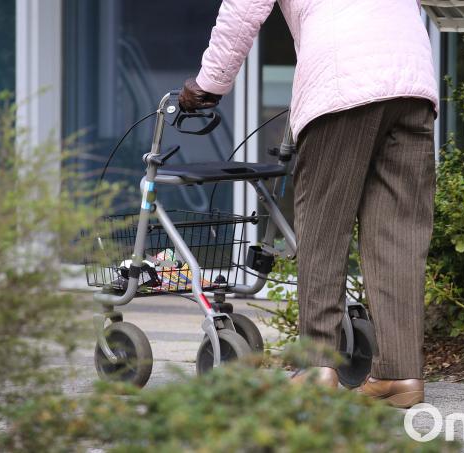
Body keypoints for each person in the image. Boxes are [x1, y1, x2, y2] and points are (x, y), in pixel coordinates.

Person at [179, 0, 438, 408]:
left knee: (323, 230)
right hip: (412, 81)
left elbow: (242, 11)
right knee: (399, 234)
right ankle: (400, 375)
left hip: (343, 80)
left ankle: (318, 365)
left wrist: (208, 85)